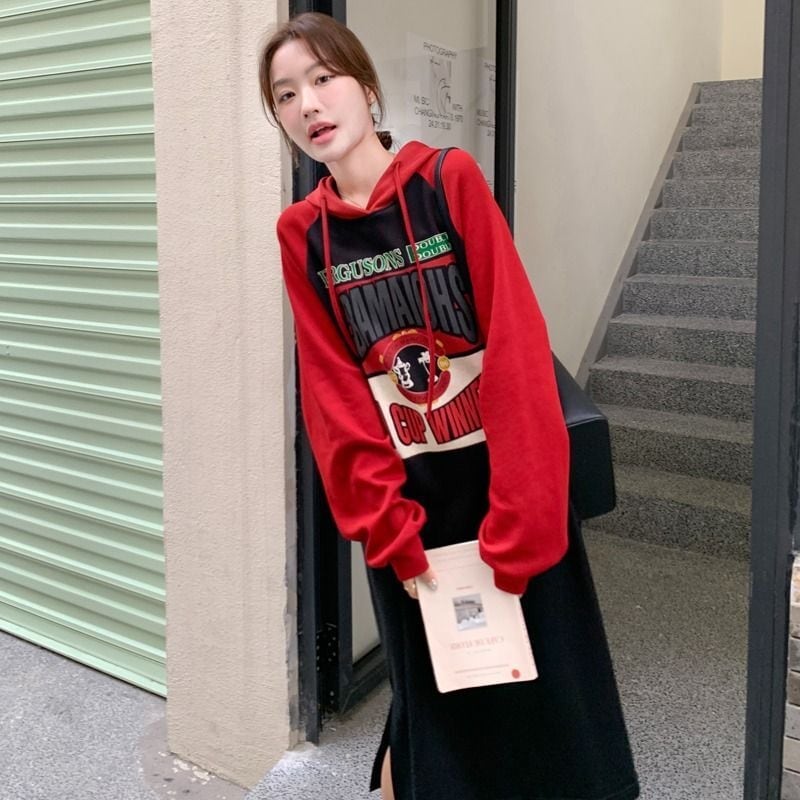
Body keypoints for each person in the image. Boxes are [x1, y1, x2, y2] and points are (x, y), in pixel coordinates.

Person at [259, 12, 640, 800]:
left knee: (553, 709)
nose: (309, 104)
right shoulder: (303, 236)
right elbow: (334, 398)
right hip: (411, 509)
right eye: (286, 94)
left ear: (367, 88)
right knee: (439, 705)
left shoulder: (448, 181)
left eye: (324, 78)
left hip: (507, 486)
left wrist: (522, 520)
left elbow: (516, 348)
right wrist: (392, 535)